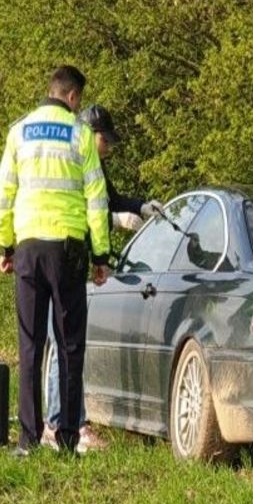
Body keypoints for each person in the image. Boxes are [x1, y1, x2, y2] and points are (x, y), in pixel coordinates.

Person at [0, 65, 111, 456]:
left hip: (27, 248)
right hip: (68, 251)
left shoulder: (19, 131)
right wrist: (100, 255)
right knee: (69, 345)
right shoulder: (80, 135)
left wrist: (5, 245)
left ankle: (27, 440)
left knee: (30, 346)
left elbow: (4, 195)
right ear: (73, 97)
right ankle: (67, 438)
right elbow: (97, 200)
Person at [41, 104, 163, 451]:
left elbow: (110, 199)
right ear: (89, 135)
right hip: (63, 257)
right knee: (65, 344)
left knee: (64, 344)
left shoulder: (93, 164)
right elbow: (83, 209)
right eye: (105, 139)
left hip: (70, 260)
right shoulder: (74, 161)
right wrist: (115, 222)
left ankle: (61, 424)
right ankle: (66, 426)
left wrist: (139, 206)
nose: (108, 146)